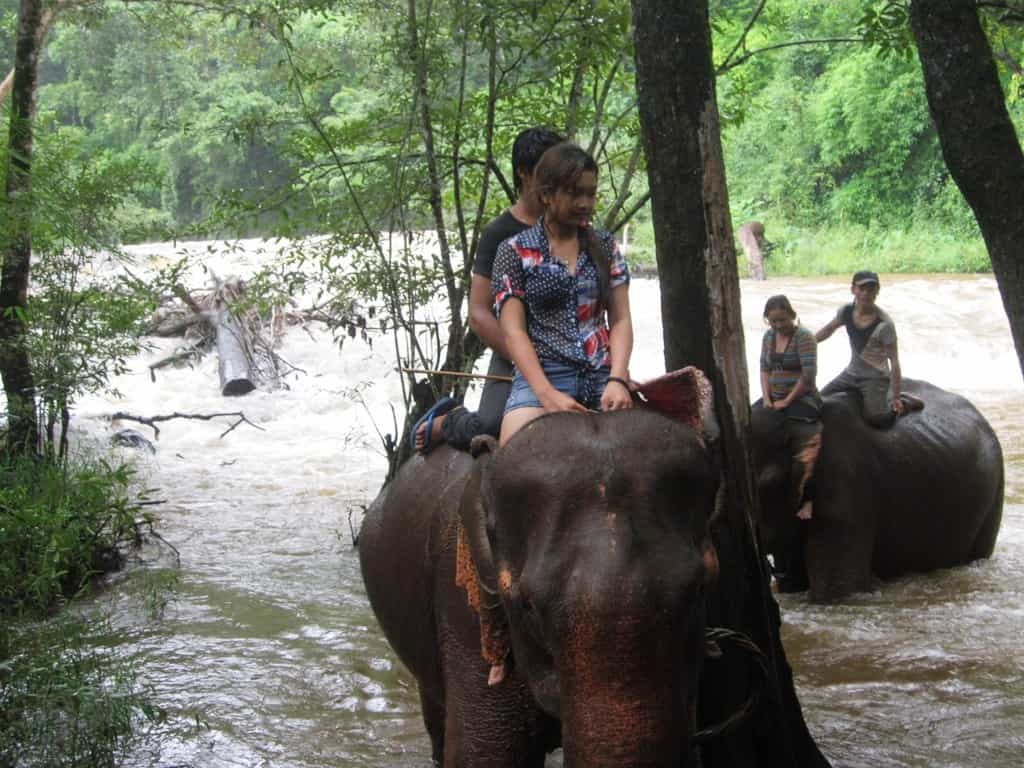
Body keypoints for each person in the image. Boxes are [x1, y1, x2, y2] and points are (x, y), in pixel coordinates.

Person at [412, 127, 564, 452]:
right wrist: (529, 360)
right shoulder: (500, 234)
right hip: (514, 351)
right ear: (524, 173)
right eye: (548, 172)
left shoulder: (572, 228)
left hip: (568, 350)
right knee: (494, 425)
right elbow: (479, 314)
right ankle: (447, 421)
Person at [491, 141, 634, 448]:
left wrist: (619, 379)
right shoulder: (514, 251)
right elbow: (514, 332)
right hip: (544, 375)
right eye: (574, 193)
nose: (585, 203)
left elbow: (620, 320)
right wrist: (547, 394)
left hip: (604, 374)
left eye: (591, 193)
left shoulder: (606, 247)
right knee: (512, 460)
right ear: (546, 194)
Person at [815, 270, 921, 428]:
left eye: (871, 289)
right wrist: (806, 343)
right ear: (853, 290)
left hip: (875, 377)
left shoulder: (884, 325)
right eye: (862, 288)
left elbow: (894, 361)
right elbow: (828, 329)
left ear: (877, 291)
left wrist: (896, 396)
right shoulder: (846, 311)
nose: (866, 293)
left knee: (878, 421)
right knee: (818, 401)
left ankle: (905, 403)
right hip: (851, 373)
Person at [755, 295, 822, 521]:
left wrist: (787, 401)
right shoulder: (768, 337)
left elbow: (808, 376)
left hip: (802, 399)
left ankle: (808, 499)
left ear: (792, 316)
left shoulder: (804, 337)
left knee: (805, 451)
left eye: (782, 320)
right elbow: (764, 369)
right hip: (772, 398)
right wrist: (766, 397)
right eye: (773, 322)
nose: (778, 326)